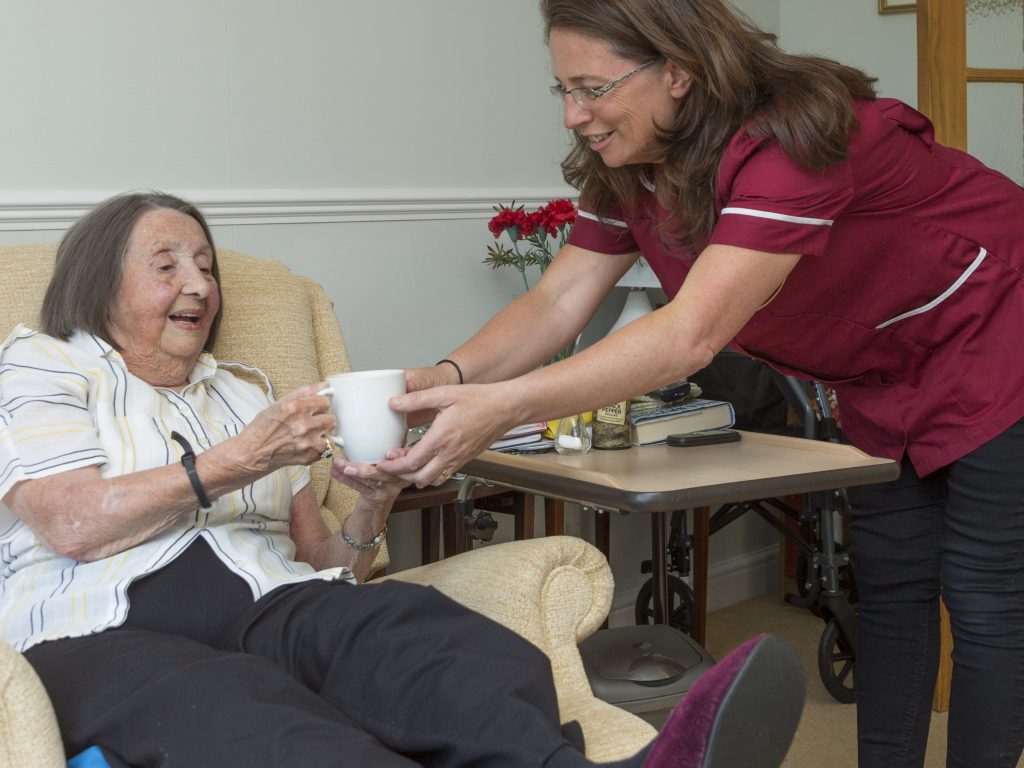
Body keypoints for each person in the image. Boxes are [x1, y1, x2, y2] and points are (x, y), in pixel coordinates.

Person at [377, 2, 1024, 767]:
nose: (572, 115)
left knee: (986, 603)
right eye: (562, 90)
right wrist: (440, 378)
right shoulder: (633, 166)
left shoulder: (793, 138)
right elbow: (556, 301)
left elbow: (692, 334)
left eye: (590, 88)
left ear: (677, 71)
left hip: (997, 325)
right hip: (883, 367)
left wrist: (506, 404)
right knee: (889, 590)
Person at [0, 191, 805, 768]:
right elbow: (70, 523)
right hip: (102, 629)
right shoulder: (45, 362)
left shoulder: (243, 391)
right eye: (167, 265)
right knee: (254, 720)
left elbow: (330, 572)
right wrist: (235, 461)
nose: (200, 285)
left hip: (269, 603)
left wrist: (374, 501)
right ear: (99, 281)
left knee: (437, 644)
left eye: (206, 265)